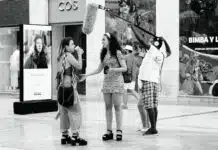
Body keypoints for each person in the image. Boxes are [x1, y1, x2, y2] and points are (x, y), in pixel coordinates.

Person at [80, 33, 127, 141]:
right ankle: (109, 131)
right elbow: (99, 69)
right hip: (107, 83)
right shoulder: (104, 54)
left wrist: (113, 70)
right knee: (107, 107)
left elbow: (125, 68)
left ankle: (119, 131)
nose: (102, 42)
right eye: (102, 40)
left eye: (104, 39)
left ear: (110, 41)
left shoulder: (118, 53)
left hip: (117, 82)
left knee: (117, 107)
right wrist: (86, 75)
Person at [56, 37, 87, 146]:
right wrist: (80, 54)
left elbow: (64, 74)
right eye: (72, 44)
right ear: (66, 46)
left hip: (61, 89)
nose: (74, 46)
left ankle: (64, 136)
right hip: (69, 90)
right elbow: (79, 66)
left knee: (64, 112)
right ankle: (75, 137)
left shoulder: (60, 56)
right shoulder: (68, 56)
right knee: (76, 112)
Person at [138, 37, 171, 135]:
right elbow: (169, 52)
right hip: (154, 81)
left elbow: (142, 41)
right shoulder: (161, 54)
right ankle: (153, 127)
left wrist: (133, 28)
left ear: (155, 44)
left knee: (149, 105)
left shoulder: (153, 50)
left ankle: (152, 128)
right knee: (153, 106)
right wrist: (165, 40)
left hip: (148, 80)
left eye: (152, 42)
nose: (150, 43)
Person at [122, 45, 139, 109]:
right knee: (131, 90)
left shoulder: (126, 57)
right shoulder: (134, 57)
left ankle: (125, 105)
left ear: (127, 50)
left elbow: (127, 67)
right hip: (133, 77)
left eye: (125, 50)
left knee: (125, 90)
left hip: (127, 77)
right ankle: (141, 102)